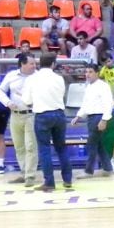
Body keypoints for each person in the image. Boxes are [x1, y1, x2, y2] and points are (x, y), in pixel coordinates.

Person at [24, 53, 72, 192]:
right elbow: (62, 95)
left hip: (42, 115)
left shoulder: (32, 79)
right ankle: (67, 179)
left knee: (44, 149)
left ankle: (49, 182)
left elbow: (27, 101)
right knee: (61, 148)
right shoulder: (59, 78)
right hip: (59, 114)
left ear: (40, 63)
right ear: (53, 64)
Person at [0, 53, 38, 186]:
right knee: (19, 146)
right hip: (15, 115)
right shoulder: (11, 76)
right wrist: (7, 102)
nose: (34, 66)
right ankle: (24, 172)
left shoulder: (37, 77)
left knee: (31, 146)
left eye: (35, 63)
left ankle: (30, 176)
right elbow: (0, 91)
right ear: (22, 64)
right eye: (31, 63)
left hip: (32, 115)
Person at [71, 63, 114, 176]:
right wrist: (78, 116)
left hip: (99, 116)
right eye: (86, 72)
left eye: (90, 72)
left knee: (92, 144)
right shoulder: (89, 86)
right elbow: (86, 104)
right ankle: (108, 168)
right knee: (98, 144)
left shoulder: (103, 86)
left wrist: (104, 119)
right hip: (90, 117)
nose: (87, 74)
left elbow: (108, 104)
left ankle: (89, 171)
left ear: (97, 73)